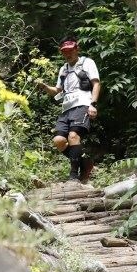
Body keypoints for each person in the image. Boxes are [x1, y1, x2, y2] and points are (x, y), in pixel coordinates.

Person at [35, 39, 101, 183]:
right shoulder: (63, 69)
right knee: (59, 141)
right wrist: (45, 87)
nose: (68, 53)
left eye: (71, 50)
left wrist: (93, 104)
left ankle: (73, 175)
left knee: (73, 136)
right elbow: (57, 91)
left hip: (83, 104)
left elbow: (96, 83)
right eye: (65, 51)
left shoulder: (87, 62)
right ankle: (85, 163)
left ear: (77, 49)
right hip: (66, 108)